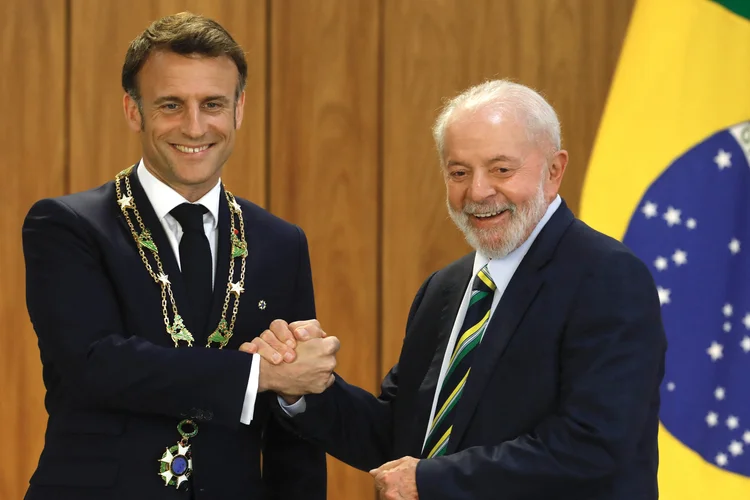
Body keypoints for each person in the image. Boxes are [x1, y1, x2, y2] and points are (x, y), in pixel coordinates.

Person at [247, 80, 667, 499]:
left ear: (554, 171)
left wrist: (431, 481)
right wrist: (300, 385)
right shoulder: (444, 289)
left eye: (501, 169)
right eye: (459, 172)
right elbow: (398, 435)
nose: (478, 192)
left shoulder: (607, 277)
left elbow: (593, 447)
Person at [21, 12, 338, 500]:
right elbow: (94, 365)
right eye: (171, 104)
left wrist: (291, 385)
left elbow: (290, 436)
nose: (195, 127)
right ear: (133, 111)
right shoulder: (66, 226)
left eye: (212, 104)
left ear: (239, 110)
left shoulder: (281, 243)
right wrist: (261, 373)